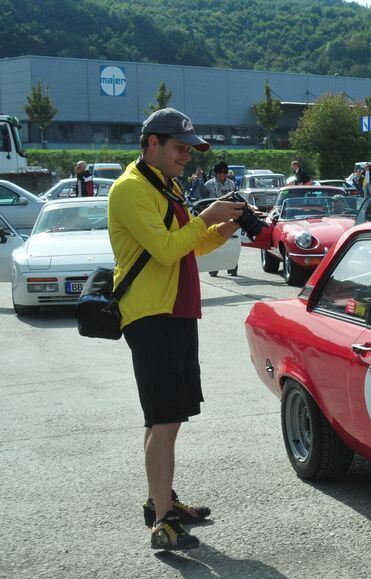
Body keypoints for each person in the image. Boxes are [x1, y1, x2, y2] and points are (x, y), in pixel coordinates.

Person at [108, 108, 246, 550]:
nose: (187, 156)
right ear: (152, 143)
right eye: (180, 148)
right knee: (163, 419)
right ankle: (162, 521)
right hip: (152, 316)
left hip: (177, 312)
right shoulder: (130, 189)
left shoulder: (163, 184)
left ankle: (160, 500)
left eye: (190, 149)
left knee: (169, 417)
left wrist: (224, 227)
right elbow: (167, 250)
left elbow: (191, 244)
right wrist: (206, 218)